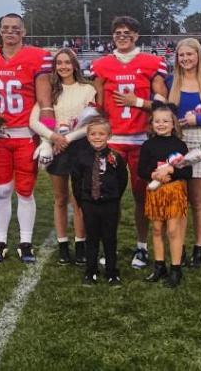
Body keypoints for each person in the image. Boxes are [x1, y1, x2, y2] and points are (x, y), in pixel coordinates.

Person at [90, 16, 169, 269]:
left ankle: (142, 247)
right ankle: (108, 246)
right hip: (111, 141)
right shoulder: (102, 65)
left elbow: (162, 104)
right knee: (107, 196)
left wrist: (136, 102)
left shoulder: (151, 63)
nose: (122, 36)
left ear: (136, 36)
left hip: (140, 140)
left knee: (141, 196)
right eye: (118, 32)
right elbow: (97, 104)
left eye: (127, 32)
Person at [0, 13, 54, 264]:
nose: (11, 32)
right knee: (2, 190)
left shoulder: (37, 57)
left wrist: (47, 139)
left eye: (15, 28)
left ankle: (25, 242)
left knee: (25, 191)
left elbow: (46, 102)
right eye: (6, 28)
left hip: (25, 134)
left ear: (24, 31)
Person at [29, 48, 97, 265]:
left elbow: (92, 123)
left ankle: (80, 244)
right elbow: (34, 120)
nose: (63, 67)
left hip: (80, 147)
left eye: (67, 62)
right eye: (59, 63)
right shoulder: (49, 91)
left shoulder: (87, 89)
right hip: (57, 147)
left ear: (75, 65)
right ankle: (62, 245)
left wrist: (67, 138)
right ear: (54, 66)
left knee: (79, 199)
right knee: (60, 199)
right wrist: (52, 137)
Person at [165, 38, 201, 267]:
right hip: (177, 143)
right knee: (180, 200)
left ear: (198, 56)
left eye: (190, 54)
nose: (186, 59)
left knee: (198, 201)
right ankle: (182, 246)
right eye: (181, 55)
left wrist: (197, 118)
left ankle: (199, 248)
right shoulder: (170, 81)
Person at [139, 104, 193, 287]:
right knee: (156, 229)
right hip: (155, 192)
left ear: (173, 124)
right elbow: (141, 170)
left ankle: (176, 269)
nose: (161, 124)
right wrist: (154, 175)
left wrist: (171, 172)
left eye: (165, 121)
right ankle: (159, 266)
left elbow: (187, 172)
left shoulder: (180, 145)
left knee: (172, 230)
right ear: (152, 123)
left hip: (174, 191)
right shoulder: (147, 145)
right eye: (157, 121)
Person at [69, 118, 128, 286]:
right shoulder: (81, 158)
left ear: (109, 135)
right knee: (92, 238)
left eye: (101, 134)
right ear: (87, 136)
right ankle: (90, 271)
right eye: (93, 134)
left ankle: (112, 272)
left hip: (110, 203)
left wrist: (114, 196)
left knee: (110, 238)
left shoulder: (116, 157)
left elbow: (122, 179)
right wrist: (82, 201)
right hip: (89, 203)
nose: (97, 137)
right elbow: (76, 181)